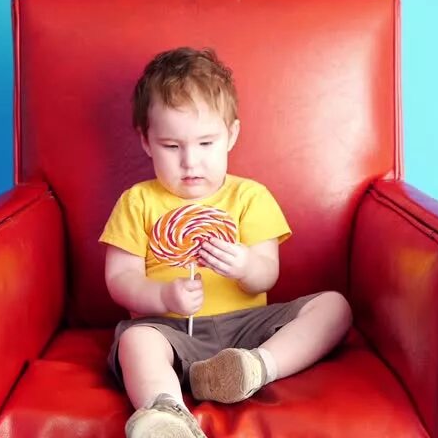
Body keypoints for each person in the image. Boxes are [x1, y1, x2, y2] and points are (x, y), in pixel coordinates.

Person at [99, 47, 352, 438]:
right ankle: (166, 412)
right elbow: (120, 278)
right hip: (170, 330)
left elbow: (267, 274)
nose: (190, 162)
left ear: (231, 135)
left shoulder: (250, 198)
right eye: (171, 146)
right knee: (135, 341)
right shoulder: (138, 202)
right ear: (146, 141)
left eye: (206, 143)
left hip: (247, 330)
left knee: (334, 307)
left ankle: (255, 368)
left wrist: (246, 267)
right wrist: (163, 298)